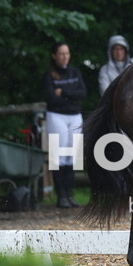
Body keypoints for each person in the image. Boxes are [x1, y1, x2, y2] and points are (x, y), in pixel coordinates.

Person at [42, 41, 87, 209]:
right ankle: (61, 195)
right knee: (59, 154)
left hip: (75, 116)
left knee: (73, 155)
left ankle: (70, 194)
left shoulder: (75, 72)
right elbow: (51, 99)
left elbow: (82, 94)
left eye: (66, 53)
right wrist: (71, 98)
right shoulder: (49, 75)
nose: (64, 57)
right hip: (57, 116)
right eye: (61, 53)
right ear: (54, 55)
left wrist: (64, 92)